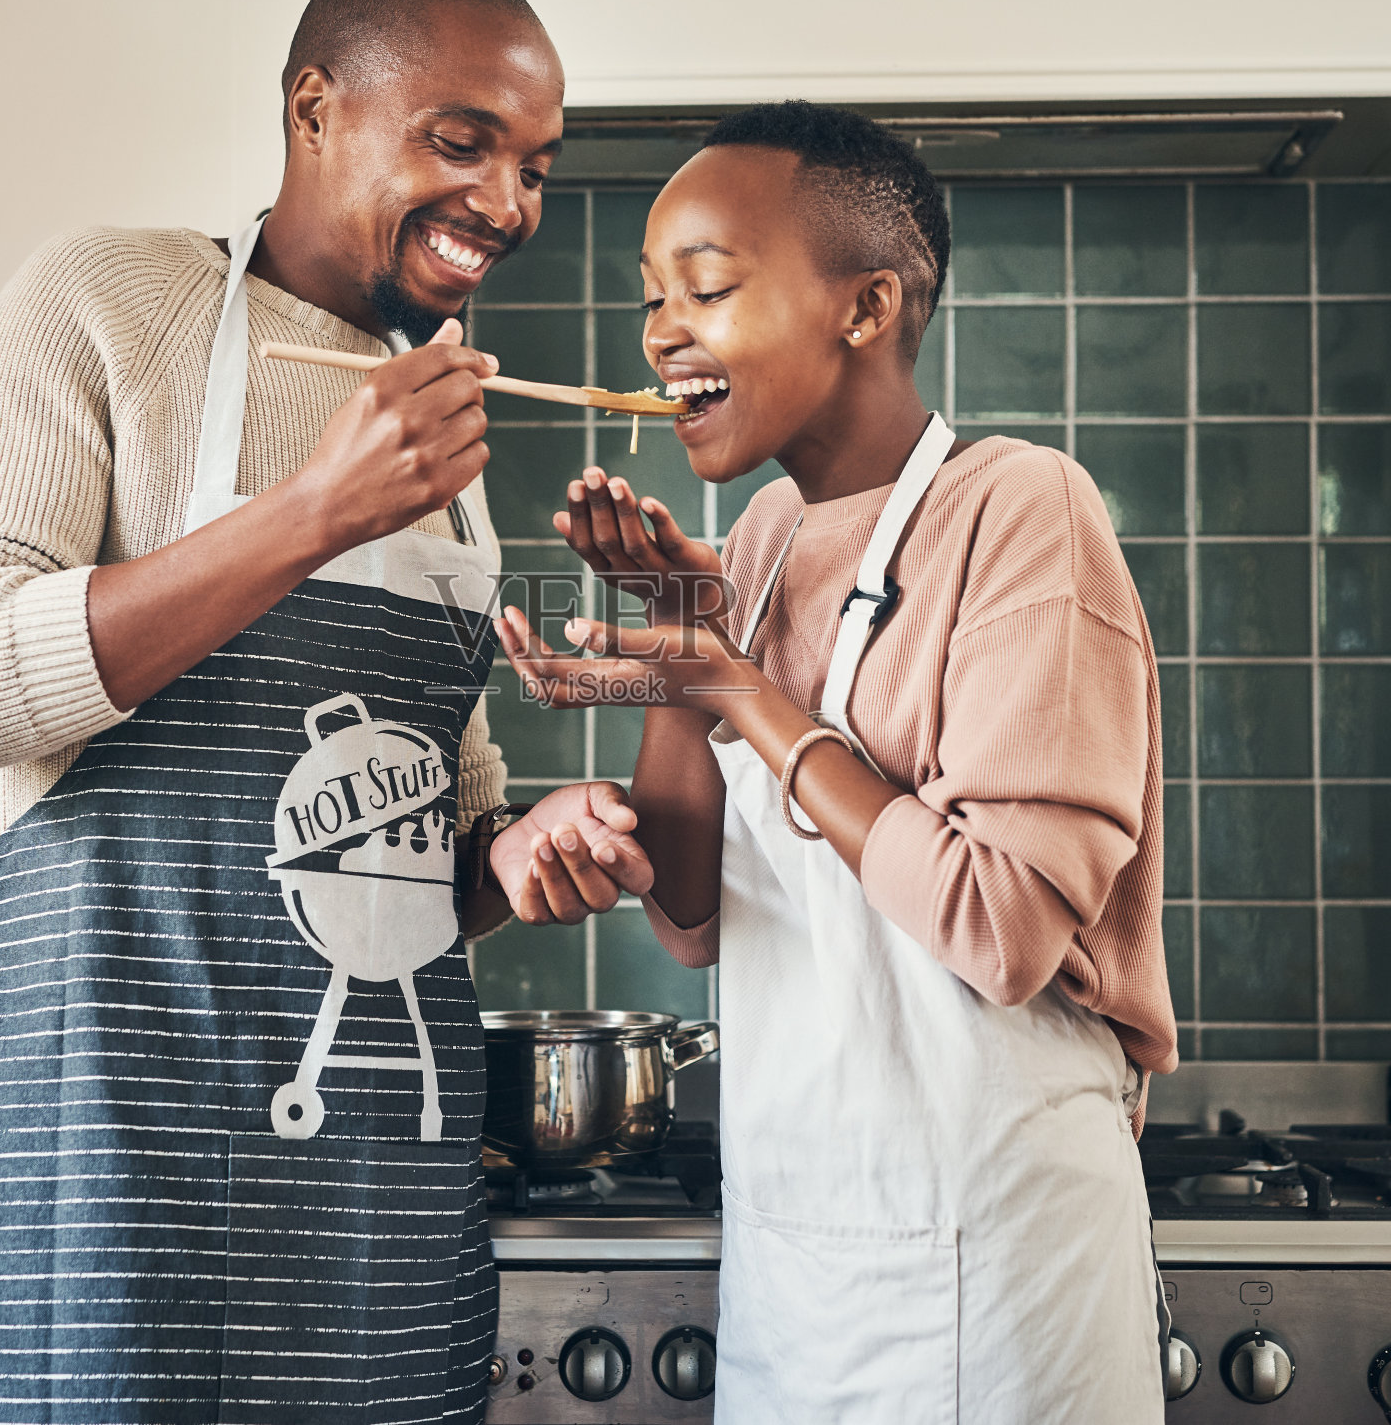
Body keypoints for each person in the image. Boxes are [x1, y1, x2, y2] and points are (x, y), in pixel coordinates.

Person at [0, 0, 651, 1424]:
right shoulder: (109, 301)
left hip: (377, 1209)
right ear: (313, 107)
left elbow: (414, 873)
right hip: (124, 1193)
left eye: (536, 166)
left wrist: (519, 854)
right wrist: (314, 512)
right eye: (462, 140)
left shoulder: (446, 444)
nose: (508, 204)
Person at [493, 100, 1178, 1423]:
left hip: (1002, 1269)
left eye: (706, 287)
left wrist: (735, 685)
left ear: (865, 310)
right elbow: (694, 918)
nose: (660, 333)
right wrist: (686, 667)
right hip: (799, 1277)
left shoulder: (1022, 512)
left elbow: (1002, 927)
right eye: (651, 300)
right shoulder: (752, 543)